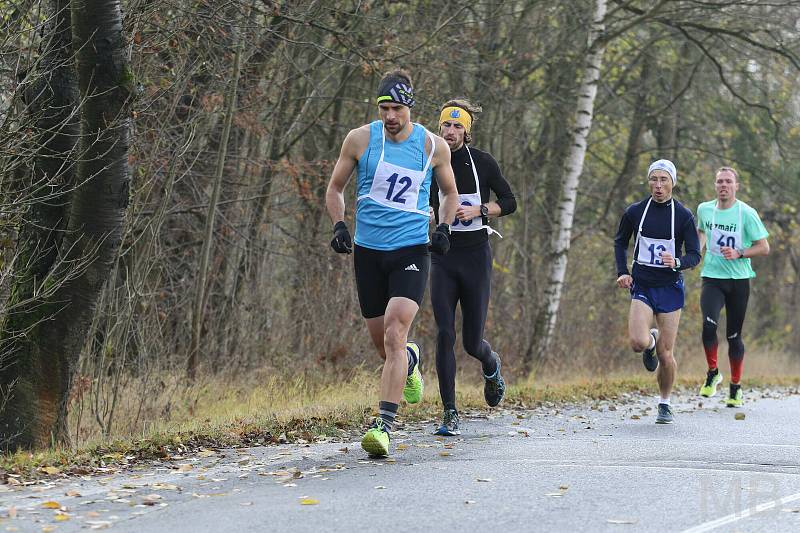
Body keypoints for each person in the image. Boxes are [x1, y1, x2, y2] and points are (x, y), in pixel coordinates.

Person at [325, 69, 459, 456]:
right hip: (368, 252)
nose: (389, 116)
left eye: (396, 108)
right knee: (385, 347)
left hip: (411, 250)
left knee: (395, 333)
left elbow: (449, 194)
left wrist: (445, 228)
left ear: (410, 108)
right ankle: (411, 360)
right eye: (384, 108)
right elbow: (335, 188)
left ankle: (383, 426)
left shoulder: (433, 146)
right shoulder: (360, 139)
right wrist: (338, 224)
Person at [428, 99, 517, 436]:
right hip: (443, 255)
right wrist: (432, 215)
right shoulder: (430, 161)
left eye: (457, 126)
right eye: (445, 126)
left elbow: (510, 201)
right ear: (439, 129)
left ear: (467, 131)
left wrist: (481, 209)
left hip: (476, 255)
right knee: (444, 333)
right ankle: (449, 412)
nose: (450, 132)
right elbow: (422, 199)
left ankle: (491, 364)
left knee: (471, 342)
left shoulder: (482, 162)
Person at [614, 159, 701, 424]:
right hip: (642, 284)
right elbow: (620, 241)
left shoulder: (684, 216)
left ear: (672, 183)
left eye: (664, 180)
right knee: (638, 344)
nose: (658, 185)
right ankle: (650, 341)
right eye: (654, 179)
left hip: (670, 288)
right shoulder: (636, 211)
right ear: (649, 182)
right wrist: (622, 271)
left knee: (666, 354)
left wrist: (677, 262)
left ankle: (665, 402)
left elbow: (695, 255)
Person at [696, 167, 769, 407]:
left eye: (728, 182)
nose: (723, 186)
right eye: (719, 182)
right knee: (708, 326)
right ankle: (713, 372)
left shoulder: (746, 213)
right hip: (712, 277)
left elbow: (764, 247)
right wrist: (695, 254)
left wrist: (740, 253)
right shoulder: (705, 209)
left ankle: (735, 387)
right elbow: (702, 234)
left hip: (738, 281)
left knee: (733, 335)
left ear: (736, 186)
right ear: (715, 185)